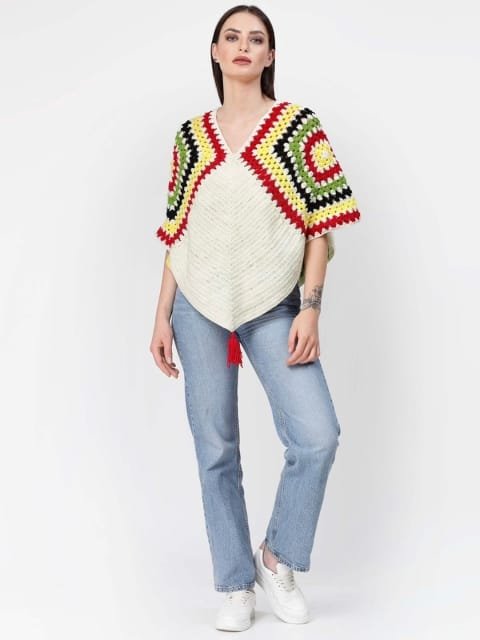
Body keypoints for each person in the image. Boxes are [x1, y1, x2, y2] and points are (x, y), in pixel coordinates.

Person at [150, 5, 361, 632]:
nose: (244, 46)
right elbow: (179, 232)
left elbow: (320, 224)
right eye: (232, 37)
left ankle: (278, 557)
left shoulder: (296, 127)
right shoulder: (191, 137)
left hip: (275, 305)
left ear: (270, 56)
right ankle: (235, 582)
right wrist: (161, 316)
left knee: (317, 435)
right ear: (216, 51)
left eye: (257, 39)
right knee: (215, 448)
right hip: (197, 307)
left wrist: (311, 309)